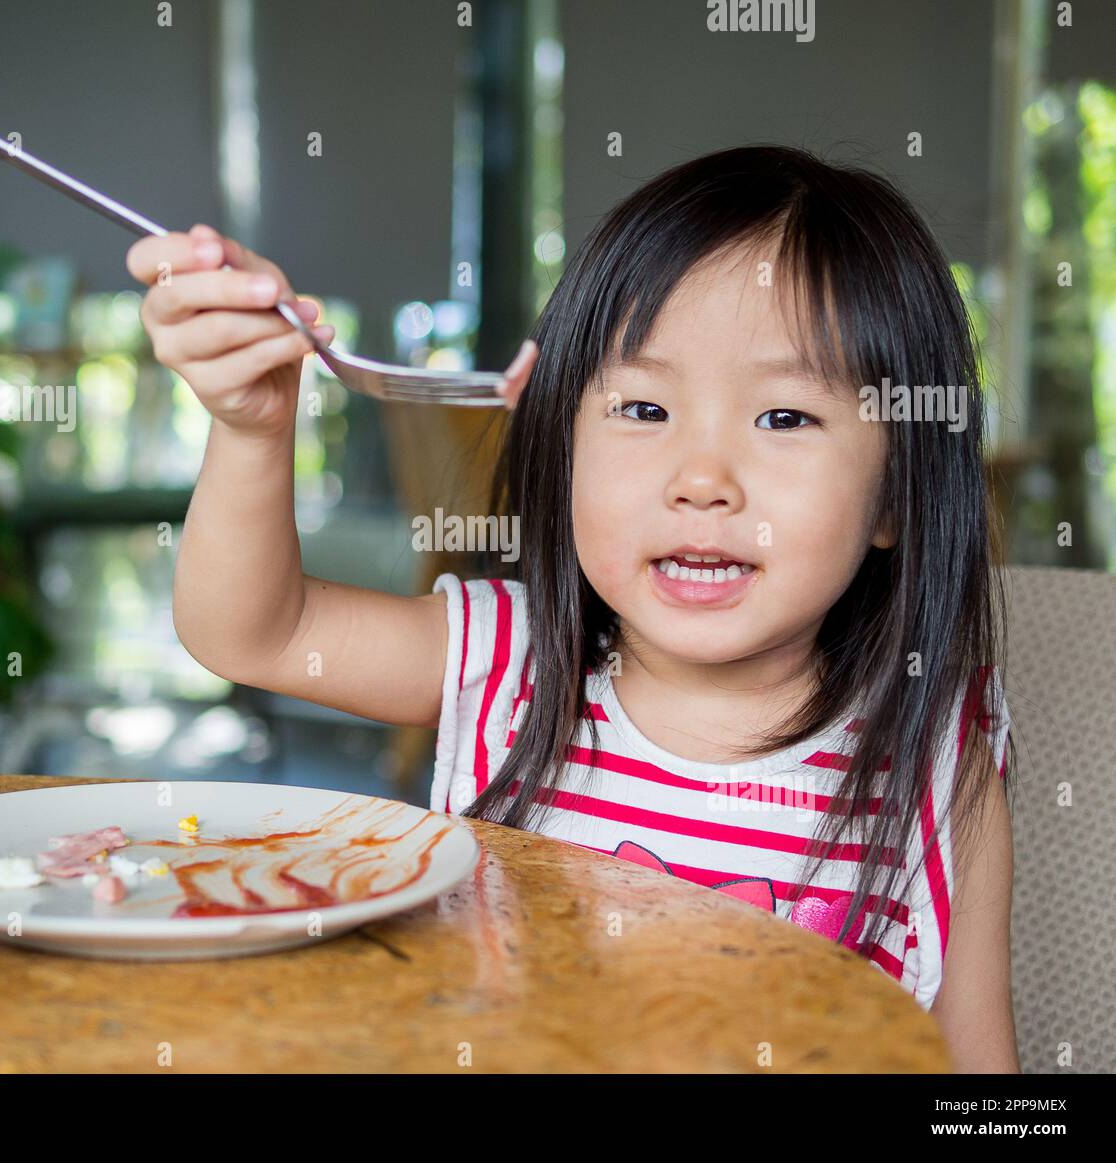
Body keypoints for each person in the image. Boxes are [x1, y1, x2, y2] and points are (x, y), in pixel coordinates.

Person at [126, 144, 1018, 1072]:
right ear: (564, 442)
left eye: (785, 418)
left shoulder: (938, 764)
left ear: (893, 498)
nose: (701, 480)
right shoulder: (507, 664)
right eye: (642, 408)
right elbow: (253, 633)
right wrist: (252, 426)